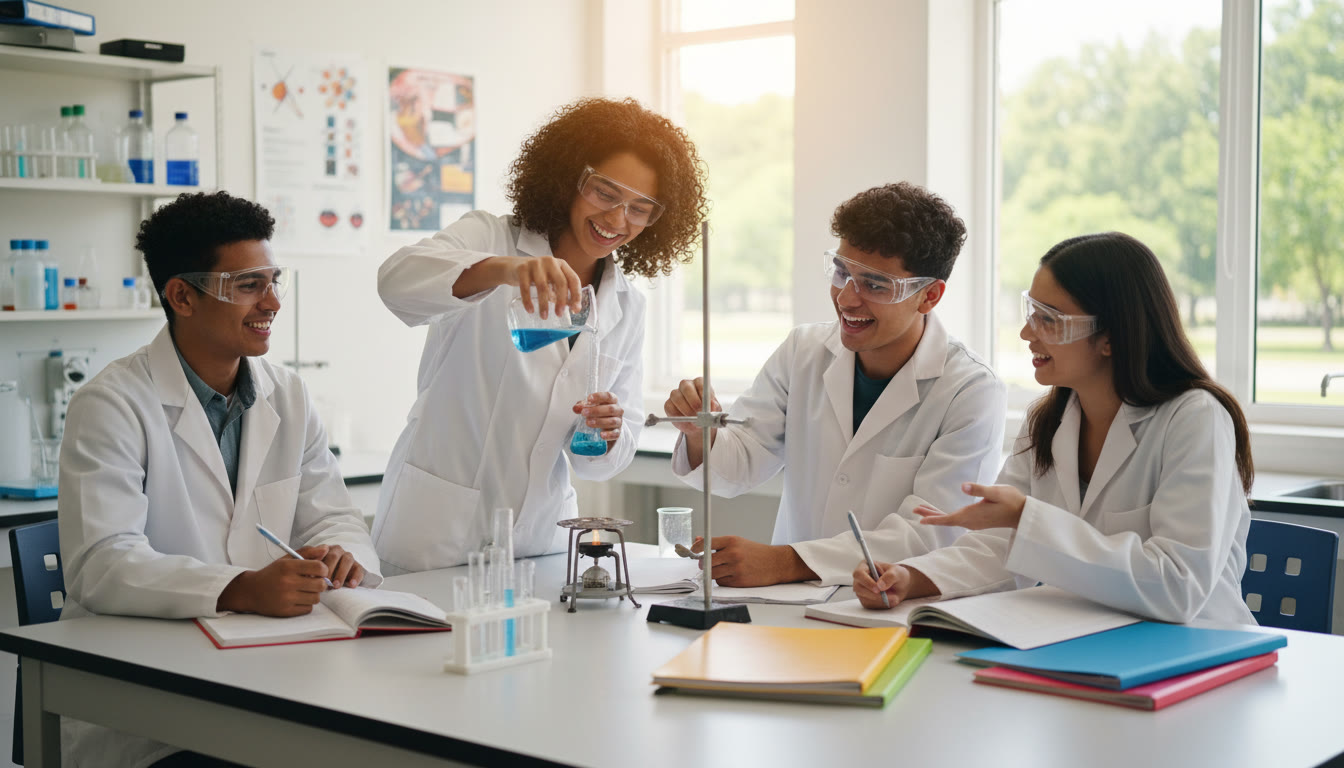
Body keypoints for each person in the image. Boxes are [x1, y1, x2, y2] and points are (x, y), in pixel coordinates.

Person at [57, 191, 382, 766]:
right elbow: (101, 563)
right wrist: (239, 587)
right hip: (148, 708)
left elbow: (333, 513)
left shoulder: (288, 394)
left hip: (268, 676)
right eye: (249, 285)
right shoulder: (111, 403)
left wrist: (343, 554)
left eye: (274, 280)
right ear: (182, 295)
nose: (274, 302)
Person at [374, 97, 708, 573]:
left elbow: (603, 463)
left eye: (640, 208)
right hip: (436, 533)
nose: (617, 220)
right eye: (605, 193)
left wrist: (609, 433)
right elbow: (397, 282)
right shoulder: (490, 238)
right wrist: (507, 270)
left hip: (542, 538)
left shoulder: (627, 305)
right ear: (569, 177)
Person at [853, 232, 1256, 625]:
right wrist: (911, 578)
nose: (1028, 333)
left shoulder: (1195, 419)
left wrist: (1028, 518)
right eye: (1032, 313)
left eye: (1049, 320)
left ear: (1111, 337)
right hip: (1086, 641)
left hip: (1202, 648)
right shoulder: (1047, 420)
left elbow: (1177, 585)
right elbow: (1001, 548)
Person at [665, 182, 1006, 587]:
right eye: (842, 272)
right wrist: (698, 434)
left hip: (896, 608)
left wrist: (786, 562)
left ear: (929, 296)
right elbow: (740, 466)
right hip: (791, 605)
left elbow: (933, 533)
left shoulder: (971, 390)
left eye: (875, 285)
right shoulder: (803, 351)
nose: (846, 298)